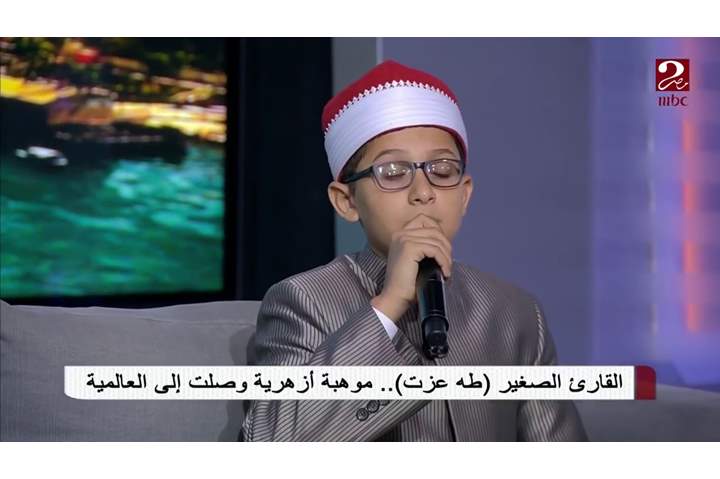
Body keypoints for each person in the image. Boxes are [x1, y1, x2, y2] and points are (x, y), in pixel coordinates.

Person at [240, 59, 587, 441]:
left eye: (442, 170)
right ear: (346, 201)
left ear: (464, 194)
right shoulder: (303, 301)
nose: (423, 192)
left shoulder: (513, 312)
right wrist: (388, 306)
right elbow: (273, 442)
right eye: (393, 173)